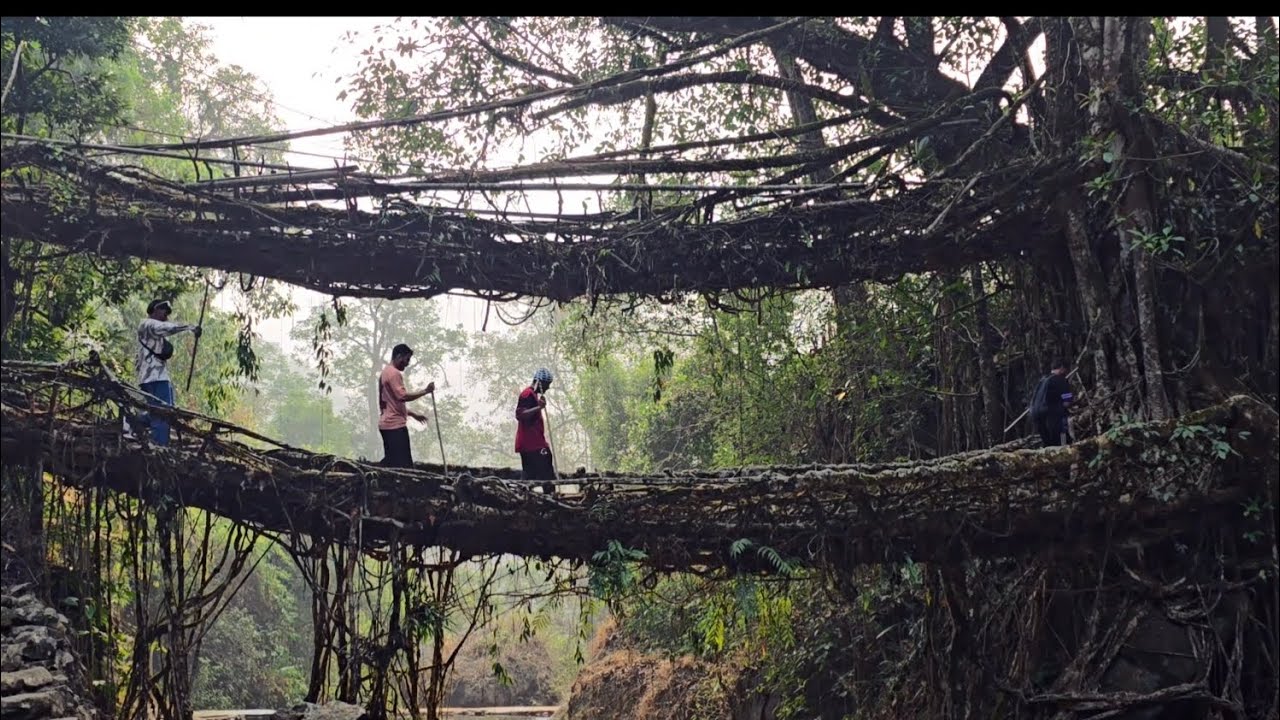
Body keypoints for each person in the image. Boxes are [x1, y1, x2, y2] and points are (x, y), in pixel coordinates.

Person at [133, 299, 201, 446]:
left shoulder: (153, 332)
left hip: (155, 377)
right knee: (163, 414)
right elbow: (166, 328)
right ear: (156, 309)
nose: (166, 316)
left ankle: (131, 421)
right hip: (154, 378)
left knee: (160, 411)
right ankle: (159, 448)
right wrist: (190, 327)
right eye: (164, 311)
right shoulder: (147, 324)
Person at [378, 343, 435, 468]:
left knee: (392, 460)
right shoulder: (394, 374)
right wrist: (425, 391)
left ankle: (376, 475)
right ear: (399, 356)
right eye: (407, 359)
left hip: (386, 424)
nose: (407, 363)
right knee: (404, 465)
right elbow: (401, 396)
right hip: (395, 426)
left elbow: (391, 403)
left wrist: (413, 414)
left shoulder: (385, 372)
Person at [515, 367, 556, 494]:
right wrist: (539, 407)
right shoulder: (527, 394)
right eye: (546, 385)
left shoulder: (533, 395)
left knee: (530, 473)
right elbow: (520, 415)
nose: (548, 388)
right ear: (539, 382)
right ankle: (550, 498)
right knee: (546, 471)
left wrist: (539, 406)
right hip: (532, 444)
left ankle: (524, 495)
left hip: (530, 443)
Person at [1031, 360, 1074, 447]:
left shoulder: (1042, 380)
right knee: (1062, 435)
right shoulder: (1061, 380)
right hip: (1051, 413)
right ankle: (1064, 450)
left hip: (1036, 413)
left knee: (1048, 442)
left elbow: (1034, 398)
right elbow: (1067, 401)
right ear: (1062, 368)